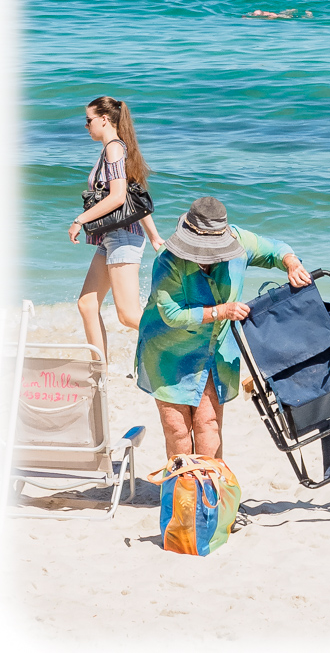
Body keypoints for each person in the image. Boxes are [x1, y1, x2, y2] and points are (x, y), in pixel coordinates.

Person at [135, 196, 311, 459]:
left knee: (208, 424)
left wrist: (291, 263)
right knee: (177, 429)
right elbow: (171, 314)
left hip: (213, 349)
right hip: (168, 350)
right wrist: (221, 311)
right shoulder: (168, 260)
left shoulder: (239, 241)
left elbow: (275, 248)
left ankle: (210, 494)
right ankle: (183, 491)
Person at [70, 96, 166, 361]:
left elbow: (119, 197)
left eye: (88, 121)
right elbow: (137, 197)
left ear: (104, 119)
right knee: (87, 304)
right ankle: (99, 371)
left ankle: (182, 338)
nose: (86, 126)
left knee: (128, 315)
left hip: (122, 237)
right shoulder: (114, 149)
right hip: (112, 236)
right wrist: (155, 236)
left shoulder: (114, 148)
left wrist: (80, 219)